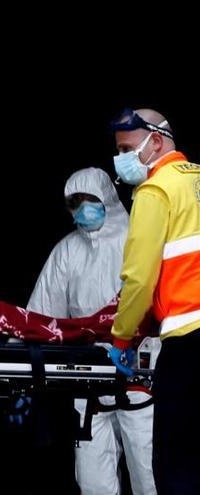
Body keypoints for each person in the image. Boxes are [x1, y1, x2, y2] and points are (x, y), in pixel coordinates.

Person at [28, 167, 155, 494]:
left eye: (90, 200)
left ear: (107, 199)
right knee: (92, 479)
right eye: (76, 202)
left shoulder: (140, 240)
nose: (84, 209)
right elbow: (41, 318)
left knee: (148, 471)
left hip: (141, 373)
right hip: (87, 378)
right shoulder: (67, 252)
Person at [107, 107, 200, 494]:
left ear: (155, 141)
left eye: (127, 148)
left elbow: (140, 278)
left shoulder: (156, 189)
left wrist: (121, 337)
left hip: (188, 342)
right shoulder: (195, 181)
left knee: (178, 466)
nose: (122, 160)